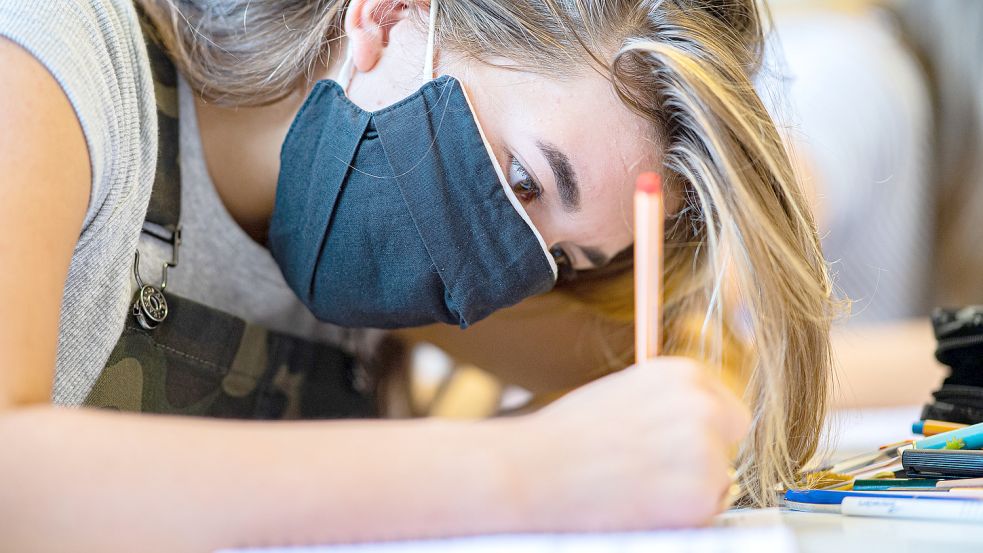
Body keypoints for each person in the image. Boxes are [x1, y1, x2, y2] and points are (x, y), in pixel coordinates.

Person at [0, 1, 833, 551]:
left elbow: (692, 384)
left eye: (567, 258)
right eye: (520, 182)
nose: (503, 271)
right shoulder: (57, 52)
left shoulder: (380, 251)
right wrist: (526, 472)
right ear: (388, 15)